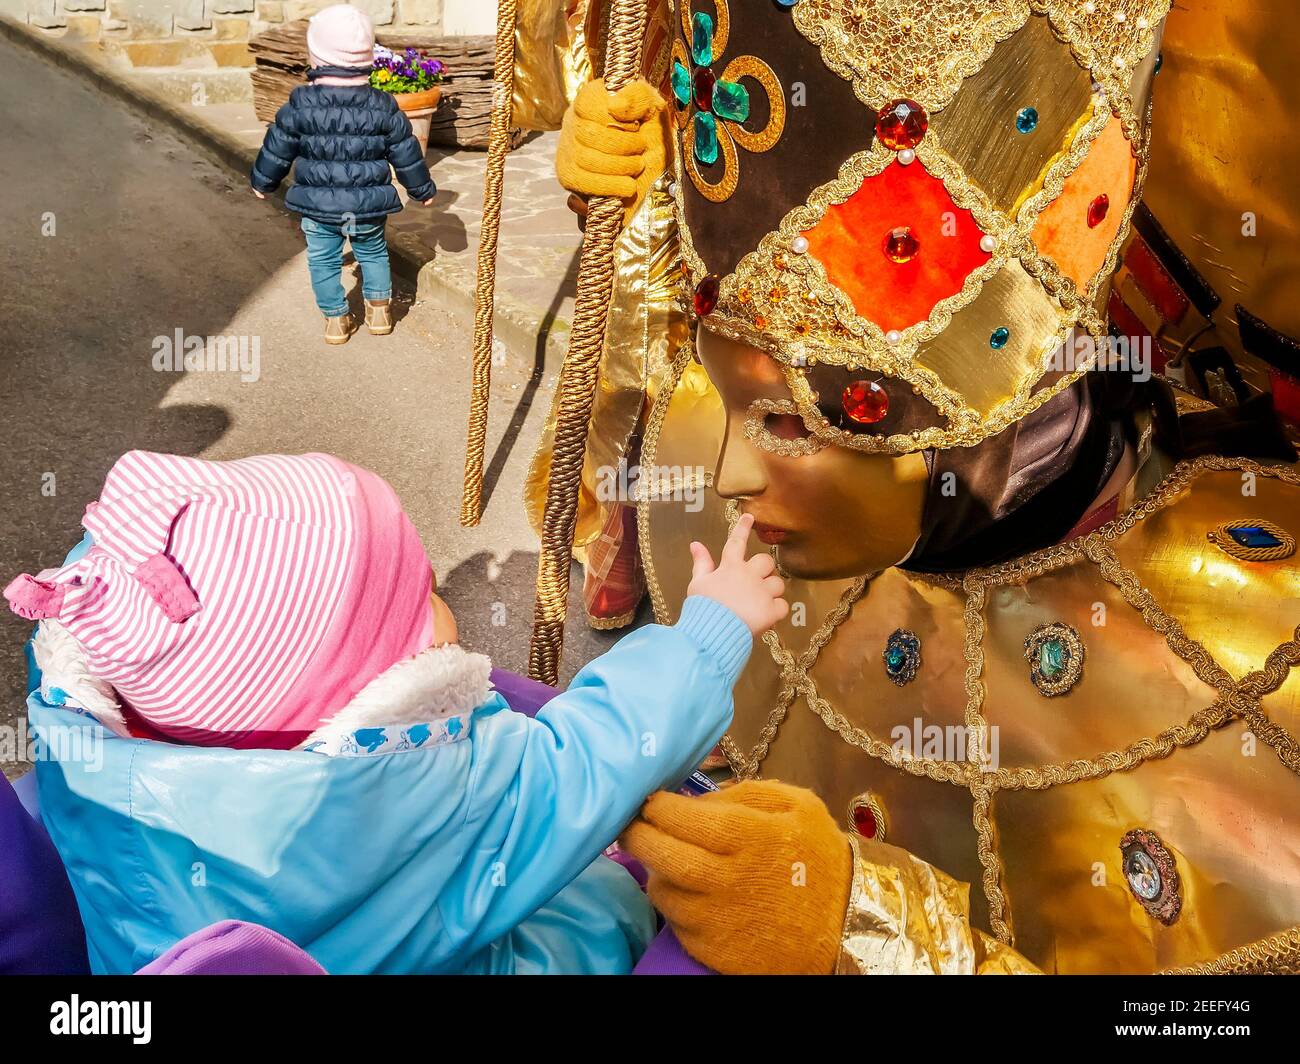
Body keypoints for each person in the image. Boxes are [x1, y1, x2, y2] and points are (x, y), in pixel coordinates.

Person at [554, 1, 1300, 973]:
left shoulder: (1257, 666)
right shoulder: (799, 536)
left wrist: (867, 934)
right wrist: (638, 191)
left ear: (959, 432)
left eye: (788, 421)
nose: (728, 476)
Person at [5, 450, 786, 974]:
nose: (442, 608)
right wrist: (708, 636)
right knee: (605, 903)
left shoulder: (90, 744)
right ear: (339, 716)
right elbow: (585, 761)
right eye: (415, 609)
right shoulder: (424, 789)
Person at [249, 4, 435, 345]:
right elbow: (405, 150)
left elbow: (278, 146)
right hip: (367, 206)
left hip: (319, 207)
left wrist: (264, 181)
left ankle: (336, 319)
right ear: (366, 57)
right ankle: (379, 311)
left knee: (323, 260)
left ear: (316, 56)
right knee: (373, 251)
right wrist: (421, 189)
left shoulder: (301, 103)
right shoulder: (382, 103)